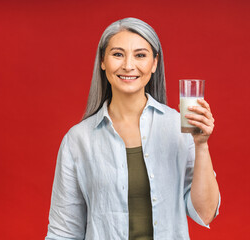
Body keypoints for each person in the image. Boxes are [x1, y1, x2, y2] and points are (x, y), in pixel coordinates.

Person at [45, 17, 220, 240]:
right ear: (103, 61)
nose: (128, 65)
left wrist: (201, 145)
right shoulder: (78, 140)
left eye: (140, 55)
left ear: (154, 63)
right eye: (118, 54)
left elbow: (205, 213)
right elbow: (63, 232)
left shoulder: (179, 127)